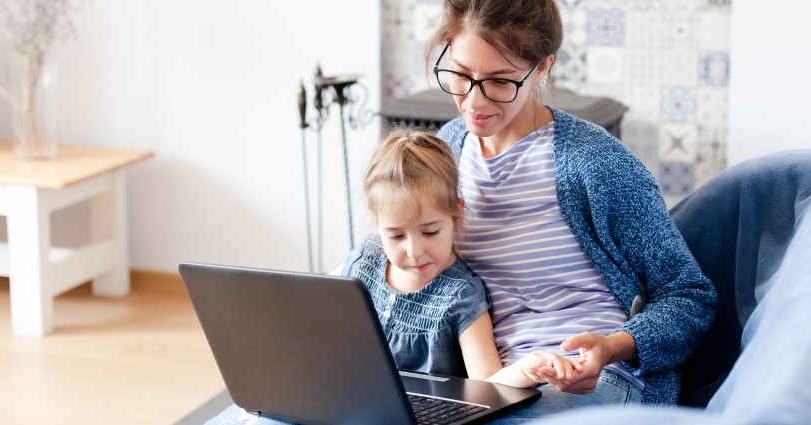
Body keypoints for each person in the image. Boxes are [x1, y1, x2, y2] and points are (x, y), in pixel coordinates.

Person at [424, 0, 717, 419]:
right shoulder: (447, 150)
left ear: (542, 67)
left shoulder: (595, 163)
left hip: (600, 379)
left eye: (500, 81)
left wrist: (612, 346)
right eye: (461, 74)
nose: (474, 100)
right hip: (497, 383)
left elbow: (690, 297)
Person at [207, 129, 573, 425]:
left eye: (430, 232)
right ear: (377, 225)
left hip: (418, 416)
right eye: (396, 235)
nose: (414, 251)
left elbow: (486, 386)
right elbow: (310, 302)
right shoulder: (367, 259)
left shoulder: (460, 294)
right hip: (347, 403)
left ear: (457, 217)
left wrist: (527, 369)